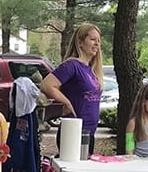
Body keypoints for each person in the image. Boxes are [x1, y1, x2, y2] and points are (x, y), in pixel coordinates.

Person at [40, 23, 103, 155]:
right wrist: (66, 102)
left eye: (98, 40)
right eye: (92, 39)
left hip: (89, 132)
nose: (97, 44)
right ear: (80, 42)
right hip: (73, 131)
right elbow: (47, 85)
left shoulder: (91, 70)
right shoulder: (72, 65)